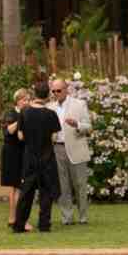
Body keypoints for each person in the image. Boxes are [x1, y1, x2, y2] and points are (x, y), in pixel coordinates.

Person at [12, 81, 62, 233]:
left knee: (26, 192)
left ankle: (19, 225)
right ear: (48, 95)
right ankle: (44, 225)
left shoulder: (24, 112)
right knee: (46, 192)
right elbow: (54, 137)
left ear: (34, 94)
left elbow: (20, 136)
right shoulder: (51, 114)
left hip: (30, 158)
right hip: (47, 158)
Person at [47, 79, 92, 225]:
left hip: (76, 149)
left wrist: (77, 124)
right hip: (57, 148)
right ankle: (67, 217)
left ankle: (83, 216)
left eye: (58, 90)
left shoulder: (79, 104)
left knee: (80, 185)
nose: (56, 93)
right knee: (62, 185)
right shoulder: (50, 107)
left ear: (66, 90)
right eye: (53, 91)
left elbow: (89, 127)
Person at [0, 88, 32, 231]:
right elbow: (9, 131)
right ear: (18, 101)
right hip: (12, 153)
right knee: (16, 187)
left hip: (22, 152)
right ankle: (18, 220)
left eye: (28, 100)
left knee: (17, 187)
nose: (27, 102)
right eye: (24, 100)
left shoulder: (27, 113)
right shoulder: (11, 113)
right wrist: (21, 118)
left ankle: (14, 218)